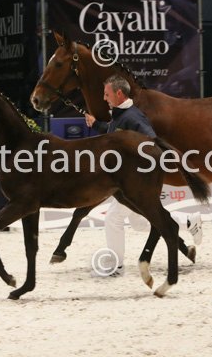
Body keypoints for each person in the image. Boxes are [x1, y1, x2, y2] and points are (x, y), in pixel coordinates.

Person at [85, 74, 203, 277]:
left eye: (107, 94)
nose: (104, 98)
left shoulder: (133, 117)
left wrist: (137, 172)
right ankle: (188, 221)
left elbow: (151, 142)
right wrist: (96, 124)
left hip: (133, 182)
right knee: (140, 223)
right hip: (127, 181)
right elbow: (114, 134)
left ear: (119, 93)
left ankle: (116, 266)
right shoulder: (120, 115)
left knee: (113, 218)